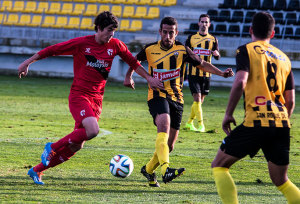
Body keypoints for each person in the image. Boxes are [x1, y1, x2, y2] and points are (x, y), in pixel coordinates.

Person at [18, 11, 163, 185]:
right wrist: (27, 62)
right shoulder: (81, 44)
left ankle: (36, 170)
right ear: (99, 28)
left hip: (97, 101)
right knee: (93, 130)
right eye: (109, 30)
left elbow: (133, 62)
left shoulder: (116, 45)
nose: (112, 34)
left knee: (77, 145)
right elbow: (53, 50)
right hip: (79, 96)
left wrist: (147, 78)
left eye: (114, 31)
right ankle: (52, 147)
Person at [124, 17, 233, 187]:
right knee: (164, 125)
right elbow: (133, 61)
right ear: (160, 32)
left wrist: (222, 74)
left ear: (176, 33)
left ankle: (148, 169)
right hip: (157, 95)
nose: (168, 36)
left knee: (170, 145)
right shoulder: (150, 49)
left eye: (171, 33)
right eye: (165, 32)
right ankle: (165, 169)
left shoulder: (182, 49)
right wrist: (132, 76)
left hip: (177, 98)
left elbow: (202, 64)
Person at [211, 12, 300, 204]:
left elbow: (240, 81)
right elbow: (290, 101)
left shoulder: (246, 50)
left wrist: (228, 114)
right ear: (273, 33)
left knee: (219, 165)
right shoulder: (284, 59)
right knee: (281, 181)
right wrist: (280, 121)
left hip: (256, 122)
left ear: (250, 30)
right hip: (281, 123)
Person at [185, 14, 220, 132]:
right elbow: (185, 55)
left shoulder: (213, 39)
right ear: (198, 23)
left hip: (206, 75)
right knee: (197, 98)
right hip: (193, 73)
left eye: (206, 22)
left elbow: (217, 56)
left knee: (200, 101)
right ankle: (201, 125)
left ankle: (189, 122)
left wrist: (216, 55)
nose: (204, 24)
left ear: (209, 24)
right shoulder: (191, 38)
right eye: (202, 22)